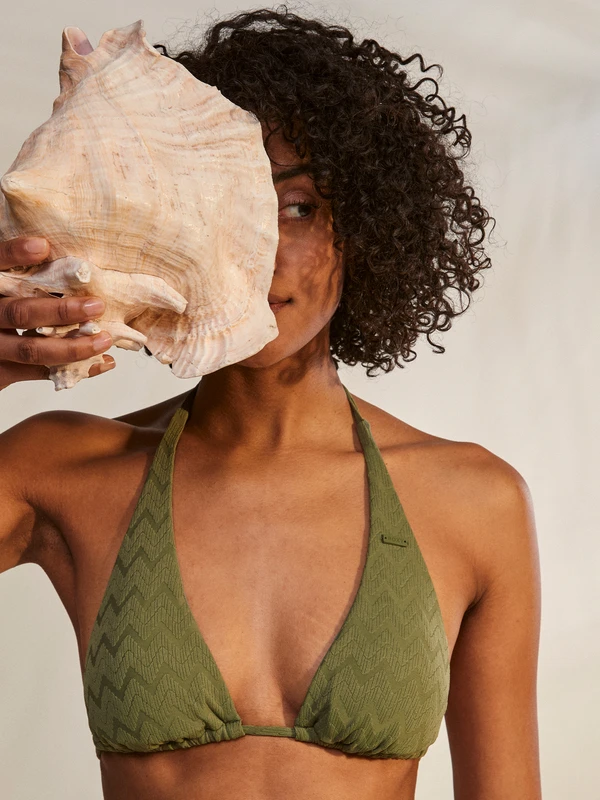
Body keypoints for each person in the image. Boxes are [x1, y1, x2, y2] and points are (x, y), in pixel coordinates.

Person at [0, 8, 542, 800]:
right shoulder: (57, 471)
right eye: (231, 205)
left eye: (297, 208)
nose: (259, 251)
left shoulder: (474, 502)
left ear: (364, 228)